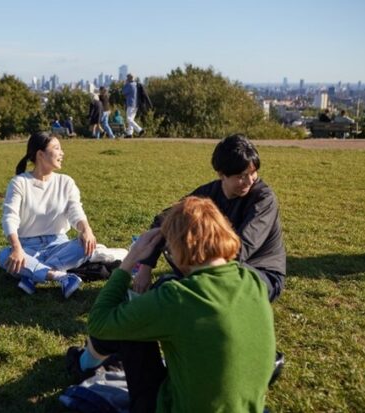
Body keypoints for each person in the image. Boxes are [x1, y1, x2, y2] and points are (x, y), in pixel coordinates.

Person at [69, 197, 275, 412]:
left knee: (131, 323)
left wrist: (130, 260)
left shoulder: (178, 297)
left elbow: (99, 321)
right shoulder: (251, 281)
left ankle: (84, 364)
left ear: (178, 245)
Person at [135, 134, 285, 302]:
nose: (249, 181)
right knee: (176, 233)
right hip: (215, 271)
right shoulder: (208, 194)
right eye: (241, 176)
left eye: (253, 173)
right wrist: (146, 266)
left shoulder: (263, 199)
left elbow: (242, 248)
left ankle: (183, 287)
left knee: (196, 295)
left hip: (258, 273)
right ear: (222, 174)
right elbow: (164, 220)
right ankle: (181, 288)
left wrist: (198, 265)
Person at [0, 132, 97, 298]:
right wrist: (17, 248)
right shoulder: (19, 183)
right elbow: (10, 217)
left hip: (59, 245)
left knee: (86, 246)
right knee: (4, 256)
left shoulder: (66, 182)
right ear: (40, 154)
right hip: (27, 248)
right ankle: (61, 277)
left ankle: (33, 276)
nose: (62, 153)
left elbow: (75, 210)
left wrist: (86, 229)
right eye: (56, 148)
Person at [122, 74, 144, 138]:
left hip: (131, 104)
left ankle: (139, 130)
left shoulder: (129, 85)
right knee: (131, 119)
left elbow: (123, 92)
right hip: (136, 104)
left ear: (128, 78)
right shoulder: (136, 84)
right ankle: (129, 134)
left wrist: (125, 84)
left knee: (128, 119)